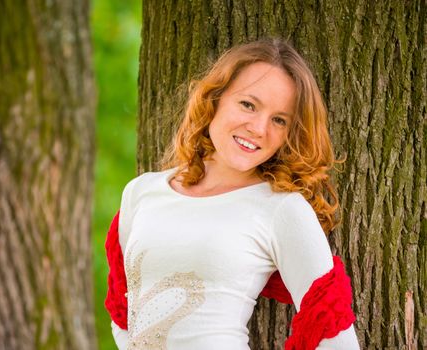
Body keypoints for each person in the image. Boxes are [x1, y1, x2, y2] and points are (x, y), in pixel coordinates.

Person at [105, 38, 360, 349]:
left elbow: (335, 337)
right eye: (248, 105)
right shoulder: (142, 192)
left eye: (279, 120)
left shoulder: (282, 209)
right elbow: (123, 314)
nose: (259, 127)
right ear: (215, 98)